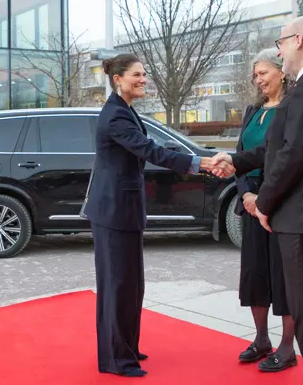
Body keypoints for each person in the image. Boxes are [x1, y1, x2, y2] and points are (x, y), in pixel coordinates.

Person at [211, 16, 303, 385]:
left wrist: (265, 203)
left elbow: (295, 153)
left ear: (297, 40)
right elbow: (275, 146)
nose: (278, 52)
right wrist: (235, 160)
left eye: (280, 44)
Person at [83, 54, 215, 378]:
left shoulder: (125, 110)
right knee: (118, 286)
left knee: (132, 285)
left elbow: (149, 146)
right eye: (137, 75)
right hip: (113, 212)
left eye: (144, 74)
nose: (143, 79)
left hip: (124, 211)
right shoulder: (115, 115)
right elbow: (150, 151)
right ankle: (116, 359)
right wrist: (200, 163)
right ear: (118, 79)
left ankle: (127, 347)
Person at [233, 48, 297, 372]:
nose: (258, 80)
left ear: (282, 72)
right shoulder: (251, 111)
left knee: (284, 276)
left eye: (264, 73)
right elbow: (241, 156)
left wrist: (264, 201)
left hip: (280, 205)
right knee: (255, 273)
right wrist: (246, 196)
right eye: (255, 75)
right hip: (251, 203)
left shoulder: (291, 110)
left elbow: (284, 158)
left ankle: (287, 348)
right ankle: (262, 339)